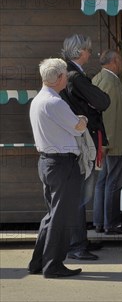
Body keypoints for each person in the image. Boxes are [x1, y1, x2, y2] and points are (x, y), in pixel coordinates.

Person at [28, 58, 88, 278]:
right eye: (65, 74)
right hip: (62, 163)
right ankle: (53, 265)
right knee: (61, 217)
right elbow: (78, 128)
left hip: (48, 161)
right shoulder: (55, 102)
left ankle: (39, 262)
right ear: (60, 78)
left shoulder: (39, 100)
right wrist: (82, 119)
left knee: (52, 215)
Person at [60, 34, 110, 260]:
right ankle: (76, 245)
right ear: (80, 52)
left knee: (81, 193)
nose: (91, 54)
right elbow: (103, 102)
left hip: (78, 139)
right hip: (84, 140)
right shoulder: (76, 77)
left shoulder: (67, 73)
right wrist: (93, 101)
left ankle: (79, 241)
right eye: (88, 50)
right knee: (81, 193)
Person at [92, 50, 122, 235]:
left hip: (106, 141)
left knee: (103, 182)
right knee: (113, 183)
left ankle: (100, 222)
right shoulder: (110, 82)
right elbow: (107, 116)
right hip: (113, 142)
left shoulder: (98, 79)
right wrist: (106, 143)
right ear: (115, 61)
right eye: (121, 60)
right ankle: (112, 224)